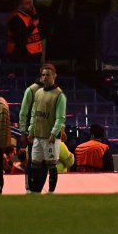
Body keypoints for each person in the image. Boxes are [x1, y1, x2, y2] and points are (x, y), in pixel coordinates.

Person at [20, 61, 67, 193]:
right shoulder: (38, 92)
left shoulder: (59, 95)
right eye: (43, 75)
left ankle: (51, 192)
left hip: (50, 137)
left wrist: (54, 133)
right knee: (34, 164)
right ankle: (33, 191)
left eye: (48, 75)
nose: (45, 77)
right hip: (38, 136)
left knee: (51, 166)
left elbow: (60, 117)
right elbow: (34, 114)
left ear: (54, 76)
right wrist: (30, 130)